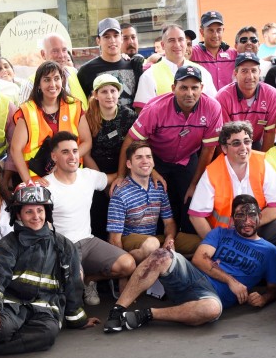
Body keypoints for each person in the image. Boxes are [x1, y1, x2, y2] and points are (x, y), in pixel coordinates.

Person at [103, 194, 276, 332]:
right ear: (232, 219)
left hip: (209, 298)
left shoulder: (269, 251)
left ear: (260, 216)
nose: (246, 221)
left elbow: (275, 287)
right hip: (190, 277)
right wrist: (231, 281)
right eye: (240, 216)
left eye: (251, 215)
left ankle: (147, 315)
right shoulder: (221, 233)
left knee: (212, 310)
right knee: (161, 254)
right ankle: (117, 310)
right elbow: (199, 259)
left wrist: (263, 298)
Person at [0, 184, 91, 358]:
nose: (36, 217)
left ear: (46, 213)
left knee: (47, 335)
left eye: (40, 211)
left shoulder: (63, 245)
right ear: (18, 215)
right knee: (1, 329)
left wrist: (79, 319)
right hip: (10, 305)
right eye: (29, 212)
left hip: (45, 309)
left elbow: (73, 286)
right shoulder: (8, 245)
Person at [118, 65, 221, 233]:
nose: (189, 93)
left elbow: (208, 150)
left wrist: (195, 184)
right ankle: (157, 241)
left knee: (192, 200)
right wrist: (124, 175)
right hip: (156, 158)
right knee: (155, 202)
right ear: (173, 88)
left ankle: (188, 242)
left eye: (195, 88)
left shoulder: (213, 108)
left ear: (202, 88)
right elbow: (131, 141)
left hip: (187, 157)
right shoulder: (155, 108)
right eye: (183, 88)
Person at [45, 132, 134, 306]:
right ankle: (78, 280)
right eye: (65, 152)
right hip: (63, 245)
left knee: (128, 264)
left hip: (88, 241)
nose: (72, 156)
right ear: (54, 157)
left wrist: (148, 171)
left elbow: (114, 177)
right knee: (73, 291)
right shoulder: (46, 186)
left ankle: (89, 279)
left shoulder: (87, 176)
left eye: (75, 151)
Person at [189, 121, 276, 247]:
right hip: (227, 233)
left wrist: (250, 224)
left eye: (247, 141)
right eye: (236, 143)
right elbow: (195, 215)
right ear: (224, 148)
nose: (243, 147)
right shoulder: (212, 172)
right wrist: (215, 245)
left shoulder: (262, 163)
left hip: (260, 225)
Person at [107, 141, 199, 263]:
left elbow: (169, 222)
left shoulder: (159, 187)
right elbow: (114, 239)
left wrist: (169, 239)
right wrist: (123, 268)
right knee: (152, 244)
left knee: (202, 243)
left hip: (154, 239)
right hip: (130, 241)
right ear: (129, 164)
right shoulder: (121, 193)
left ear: (153, 162)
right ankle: (134, 271)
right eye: (139, 157)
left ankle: (160, 264)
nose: (145, 161)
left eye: (148, 157)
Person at [10, 60, 92, 182]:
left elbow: (87, 141)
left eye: (56, 78)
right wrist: (29, 182)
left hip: (71, 177)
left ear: (62, 81)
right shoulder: (27, 110)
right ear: (38, 84)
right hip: (39, 180)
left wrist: (67, 160)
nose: (52, 84)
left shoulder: (75, 106)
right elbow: (15, 149)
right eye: (47, 80)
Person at [82, 73, 139, 239]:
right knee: (98, 212)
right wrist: (103, 183)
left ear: (119, 93)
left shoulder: (129, 116)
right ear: (95, 95)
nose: (109, 95)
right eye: (104, 91)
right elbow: (86, 154)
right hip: (96, 169)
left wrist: (122, 176)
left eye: (113, 91)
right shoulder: (86, 117)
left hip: (123, 168)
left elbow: (134, 149)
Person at [133, 23, 217, 108]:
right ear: (163, 45)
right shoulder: (149, 75)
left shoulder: (202, 72)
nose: (177, 44)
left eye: (181, 40)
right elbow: (143, 112)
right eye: (171, 40)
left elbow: (213, 106)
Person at [216, 52, 276, 149]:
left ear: (259, 72)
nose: (250, 76)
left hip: (255, 142)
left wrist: (262, 161)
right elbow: (223, 137)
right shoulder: (223, 97)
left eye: (253, 71)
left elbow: (270, 133)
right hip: (231, 144)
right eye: (244, 71)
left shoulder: (272, 95)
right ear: (235, 73)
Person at [75, 18, 144, 109]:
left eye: (116, 36)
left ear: (121, 38)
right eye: (106, 37)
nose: (112, 40)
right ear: (98, 40)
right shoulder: (86, 70)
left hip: (133, 122)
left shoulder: (134, 65)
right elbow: (81, 107)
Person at [17, 34, 87, 104]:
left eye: (64, 50)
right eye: (55, 51)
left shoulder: (75, 73)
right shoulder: (30, 84)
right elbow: (24, 113)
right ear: (43, 54)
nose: (61, 55)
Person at [190, 10, 238, 90]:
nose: (215, 35)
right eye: (210, 30)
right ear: (202, 32)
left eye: (219, 30)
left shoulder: (234, 54)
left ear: (223, 30)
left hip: (228, 102)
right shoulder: (192, 53)